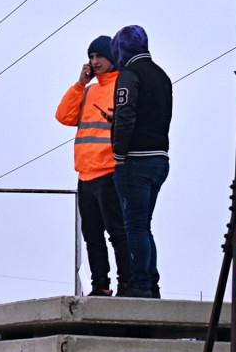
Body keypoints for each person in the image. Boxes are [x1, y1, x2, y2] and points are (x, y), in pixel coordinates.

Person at [56, 35, 131, 297]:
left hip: (110, 170)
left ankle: (126, 282)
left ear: (112, 57)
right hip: (86, 173)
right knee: (92, 235)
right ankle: (100, 283)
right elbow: (63, 116)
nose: (94, 61)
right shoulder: (89, 90)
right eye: (91, 57)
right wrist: (80, 84)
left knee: (117, 232)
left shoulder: (123, 85)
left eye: (99, 56)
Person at [110, 25, 172, 299]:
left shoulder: (129, 75)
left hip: (135, 159)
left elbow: (125, 116)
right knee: (144, 224)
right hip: (160, 157)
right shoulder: (162, 75)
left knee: (134, 225)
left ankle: (141, 285)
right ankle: (152, 283)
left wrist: (118, 154)